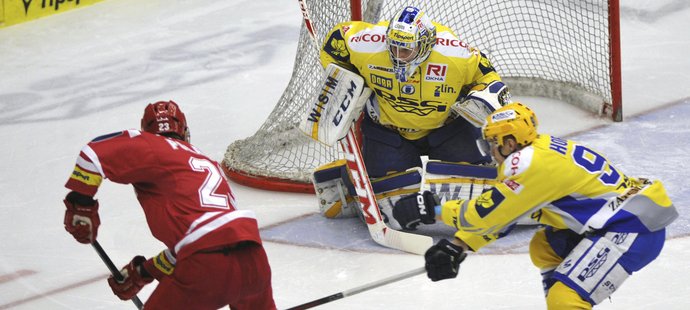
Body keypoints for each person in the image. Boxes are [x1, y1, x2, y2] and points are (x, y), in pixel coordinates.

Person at [393, 102, 679, 309]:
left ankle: (569, 297)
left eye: (491, 143)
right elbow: (507, 214)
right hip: (622, 220)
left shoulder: (530, 165)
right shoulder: (538, 151)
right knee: (545, 245)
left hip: (632, 230)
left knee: (565, 299)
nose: (489, 152)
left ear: (508, 142)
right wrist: (459, 245)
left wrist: (436, 210)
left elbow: (485, 213)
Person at [62, 101, 276, 310]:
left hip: (207, 264)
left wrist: (81, 204)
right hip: (253, 259)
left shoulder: (150, 144)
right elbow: (203, 239)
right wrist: (145, 271)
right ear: (184, 132)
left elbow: (93, 154)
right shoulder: (209, 165)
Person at [312, 5, 511, 221]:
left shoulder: (456, 55)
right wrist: (348, 82)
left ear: (424, 45)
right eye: (394, 47)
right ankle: (350, 175)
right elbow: (335, 41)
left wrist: (481, 96)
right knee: (389, 205)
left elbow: (488, 75)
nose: (398, 56)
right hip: (388, 131)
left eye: (405, 49)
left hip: (447, 129)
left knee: (472, 187)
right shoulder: (368, 44)